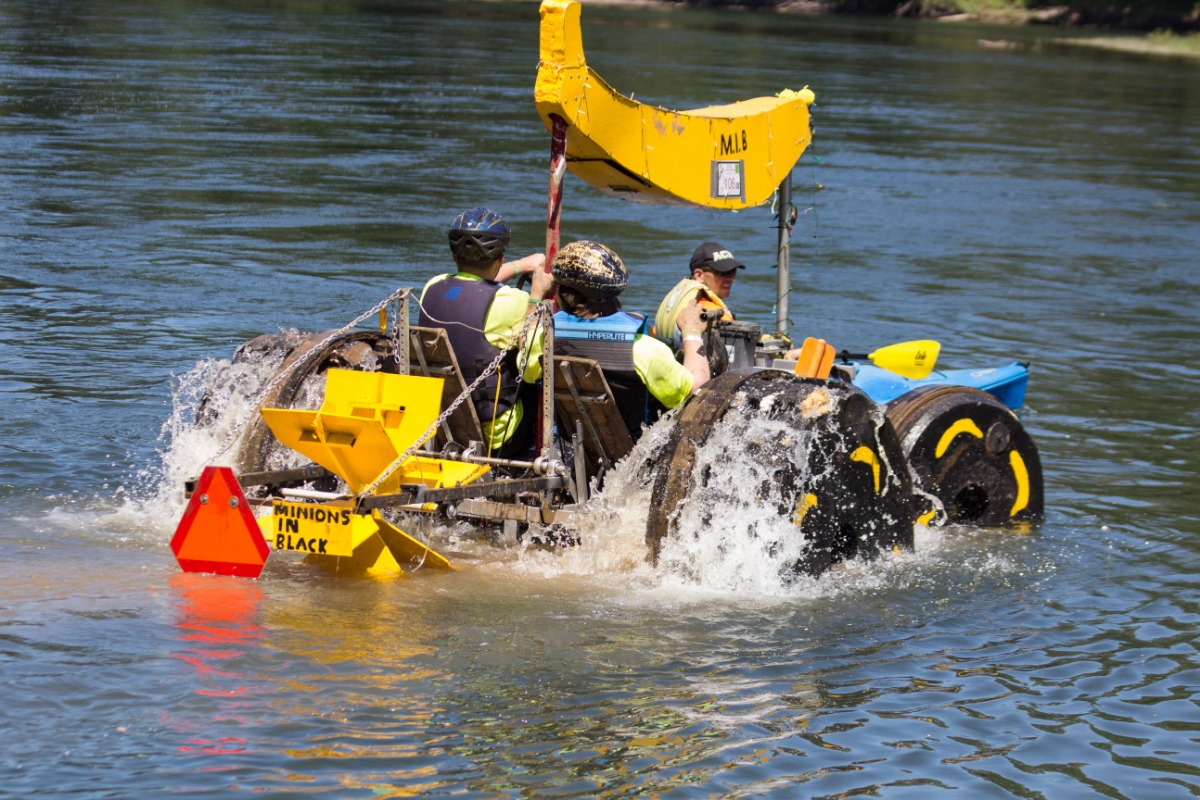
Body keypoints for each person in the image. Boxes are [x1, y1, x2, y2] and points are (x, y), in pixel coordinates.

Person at [418, 207, 555, 457]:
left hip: (440, 421)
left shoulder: (432, 286)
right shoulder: (513, 301)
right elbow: (532, 370)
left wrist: (520, 265)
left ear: (453, 256)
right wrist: (537, 296)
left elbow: (474, 282)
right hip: (496, 435)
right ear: (499, 258)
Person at [551, 240, 710, 440]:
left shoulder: (543, 337)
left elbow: (530, 375)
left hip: (570, 441)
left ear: (562, 292)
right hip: (628, 450)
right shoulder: (644, 349)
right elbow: (696, 392)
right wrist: (691, 331)